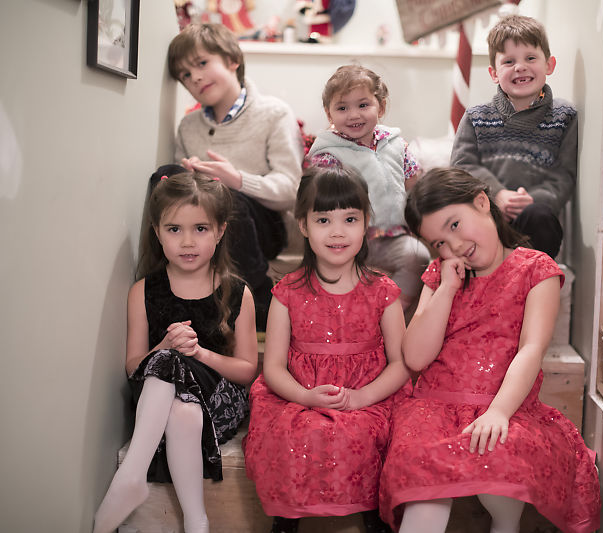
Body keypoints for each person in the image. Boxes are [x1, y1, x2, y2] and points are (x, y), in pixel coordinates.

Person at [379, 168, 600, 533]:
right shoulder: (440, 275)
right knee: (423, 486)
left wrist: (498, 412)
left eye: (454, 225)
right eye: (438, 243)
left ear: (482, 202)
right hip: (435, 405)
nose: (452, 246)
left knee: (502, 465)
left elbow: (531, 348)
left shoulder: (535, 269)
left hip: (505, 404)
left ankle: (505, 525)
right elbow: (416, 357)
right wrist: (447, 289)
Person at [244, 165, 411, 533]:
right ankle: (287, 519)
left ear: (366, 221)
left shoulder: (382, 290)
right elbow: (272, 367)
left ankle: (376, 517)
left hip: (369, 394)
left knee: (367, 433)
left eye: (350, 219)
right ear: (303, 225)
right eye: (323, 220)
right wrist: (305, 397)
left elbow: (401, 364)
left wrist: (363, 397)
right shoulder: (287, 292)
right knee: (296, 432)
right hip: (301, 393)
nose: (337, 232)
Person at [93, 172, 259, 533]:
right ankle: (196, 520)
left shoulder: (237, 292)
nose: (187, 241)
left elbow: (247, 370)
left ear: (220, 231)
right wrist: (164, 347)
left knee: (179, 376)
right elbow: (133, 365)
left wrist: (199, 354)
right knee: (181, 407)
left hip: (218, 402)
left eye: (200, 228)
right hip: (163, 403)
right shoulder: (143, 291)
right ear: (157, 232)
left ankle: (131, 477)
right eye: (174, 229)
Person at [167, 22, 304, 331]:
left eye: (202, 64)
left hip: (262, 226)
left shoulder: (273, 113)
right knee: (166, 177)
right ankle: (173, 293)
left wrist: (237, 179)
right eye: (186, 75)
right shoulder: (188, 127)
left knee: (227, 197)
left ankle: (258, 297)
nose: (195, 77)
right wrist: (187, 179)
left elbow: (292, 191)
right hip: (207, 227)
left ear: (232, 60)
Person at [308, 64, 431, 321]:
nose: (354, 115)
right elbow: (322, 200)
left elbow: (414, 184)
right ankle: (352, 318)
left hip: (392, 236)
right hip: (346, 238)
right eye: (342, 108)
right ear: (329, 114)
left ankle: (389, 316)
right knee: (340, 273)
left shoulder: (395, 144)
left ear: (381, 107)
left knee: (418, 256)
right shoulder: (328, 152)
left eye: (363, 105)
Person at [450, 14, 577, 260]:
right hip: (486, 215)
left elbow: (564, 175)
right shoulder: (476, 117)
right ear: (494, 73)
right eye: (508, 61)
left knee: (541, 218)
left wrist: (532, 199)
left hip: (534, 217)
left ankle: (532, 279)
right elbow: (461, 166)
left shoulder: (564, 117)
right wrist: (496, 194)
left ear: (549, 65)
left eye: (530, 58)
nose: (520, 67)